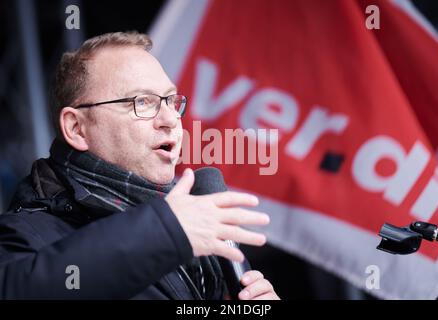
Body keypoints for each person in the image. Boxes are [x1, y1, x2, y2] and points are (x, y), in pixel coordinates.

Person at [0, 31, 279, 300]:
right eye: (142, 102)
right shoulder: (26, 232)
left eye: (171, 100)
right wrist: (165, 232)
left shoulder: (192, 239)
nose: (170, 119)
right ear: (77, 128)